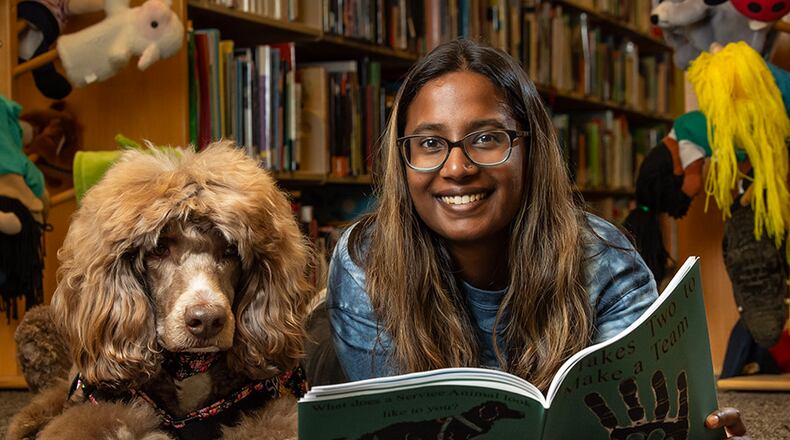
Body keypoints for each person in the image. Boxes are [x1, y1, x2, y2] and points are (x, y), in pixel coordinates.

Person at [324, 38, 748, 439]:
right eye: (430, 142)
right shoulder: (367, 261)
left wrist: (688, 426)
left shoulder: (604, 259)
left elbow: (632, 417)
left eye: (487, 138)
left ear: (531, 147)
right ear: (404, 158)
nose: (456, 168)